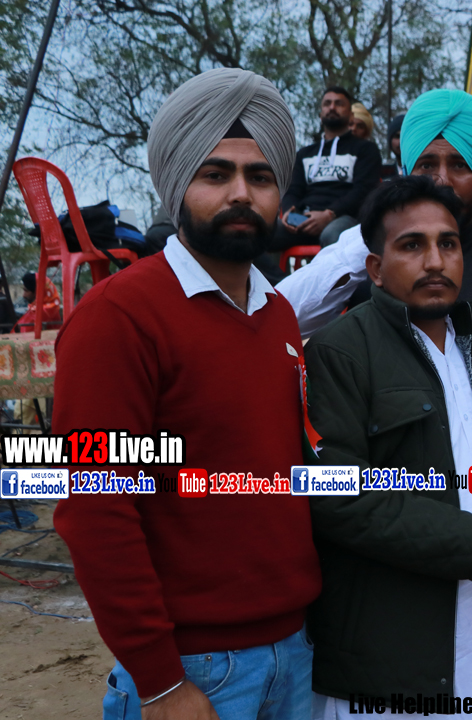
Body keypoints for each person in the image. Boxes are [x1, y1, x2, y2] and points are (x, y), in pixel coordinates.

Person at [52, 67, 322, 719]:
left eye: (260, 177)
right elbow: (94, 505)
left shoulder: (279, 315)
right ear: (178, 185)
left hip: (296, 654)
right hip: (194, 670)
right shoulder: (119, 316)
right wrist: (160, 682)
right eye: (215, 174)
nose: (241, 193)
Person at [304, 175, 472, 718]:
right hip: (393, 639)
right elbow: (337, 497)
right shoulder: (338, 351)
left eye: (448, 244)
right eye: (412, 245)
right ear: (375, 267)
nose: (435, 261)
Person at [276, 88, 472, 338]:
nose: (442, 181)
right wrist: (374, 240)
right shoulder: (360, 248)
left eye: (460, 165)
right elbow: (281, 320)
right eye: (427, 165)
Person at [275, 86, 382, 249]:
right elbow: (293, 189)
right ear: (320, 114)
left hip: (344, 219)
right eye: (327, 103)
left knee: (332, 234)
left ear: (351, 116)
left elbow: (363, 191)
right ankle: (272, 271)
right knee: (258, 232)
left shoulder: (366, 150)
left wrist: (329, 214)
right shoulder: (304, 154)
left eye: (339, 103)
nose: (332, 107)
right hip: (303, 220)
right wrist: (290, 212)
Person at [383, 112, 406, 178]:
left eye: (404, 137)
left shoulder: (423, 171)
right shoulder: (382, 173)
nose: (400, 142)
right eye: (397, 136)